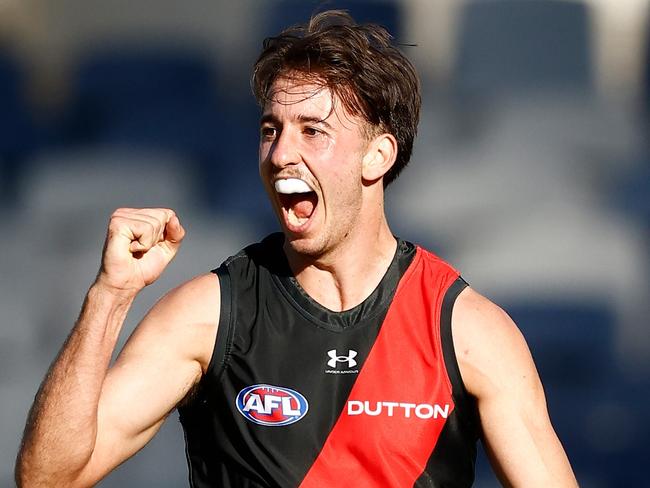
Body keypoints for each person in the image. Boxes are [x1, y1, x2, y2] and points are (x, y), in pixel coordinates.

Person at [15, 10, 578, 487]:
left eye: (313, 130)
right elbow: (48, 477)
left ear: (377, 157)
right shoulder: (209, 316)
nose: (281, 153)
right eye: (270, 129)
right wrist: (110, 295)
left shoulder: (467, 331)